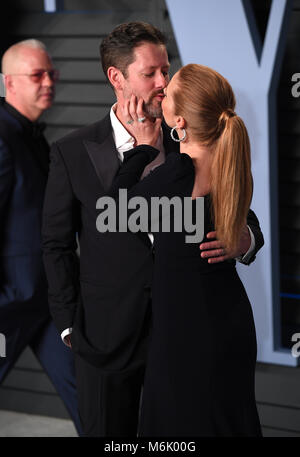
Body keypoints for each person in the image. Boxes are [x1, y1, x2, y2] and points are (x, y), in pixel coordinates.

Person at [42, 22, 263, 437]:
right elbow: (55, 244)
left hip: (188, 332)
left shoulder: (197, 132)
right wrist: (70, 324)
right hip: (108, 336)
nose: (163, 82)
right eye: (151, 73)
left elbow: (238, 206)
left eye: (167, 70)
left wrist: (245, 240)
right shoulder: (72, 151)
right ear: (116, 77)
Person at [108, 63, 263, 436]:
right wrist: (248, 239)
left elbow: (113, 212)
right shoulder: (231, 166)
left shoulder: (177, 174)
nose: (160, 92)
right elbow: (249, 221)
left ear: (179, 122)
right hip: (231, 326)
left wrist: (142, 150)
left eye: (169, 92)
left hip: (185, 334)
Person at [0, 39, 82, 435]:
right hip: (9, 307)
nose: (48, 81)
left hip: (49, 303)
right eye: (37, 74)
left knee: (90, 394)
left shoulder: (32, 134)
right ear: (9, 83)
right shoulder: (2, 135)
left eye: (52, 73)